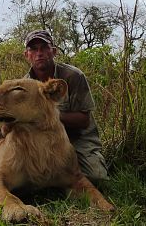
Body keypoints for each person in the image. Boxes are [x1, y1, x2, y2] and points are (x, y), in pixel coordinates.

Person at [23, 29, 109, 183]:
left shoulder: (73, 76)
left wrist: (47, 115)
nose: (39, 53)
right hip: (43, 141)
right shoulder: (24, 85)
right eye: (33, 49)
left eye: (44, 48)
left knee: (96, 177)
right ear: (27, 55)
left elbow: (84, 121)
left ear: (54, 51)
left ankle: (89, 160)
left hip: (77, 138)